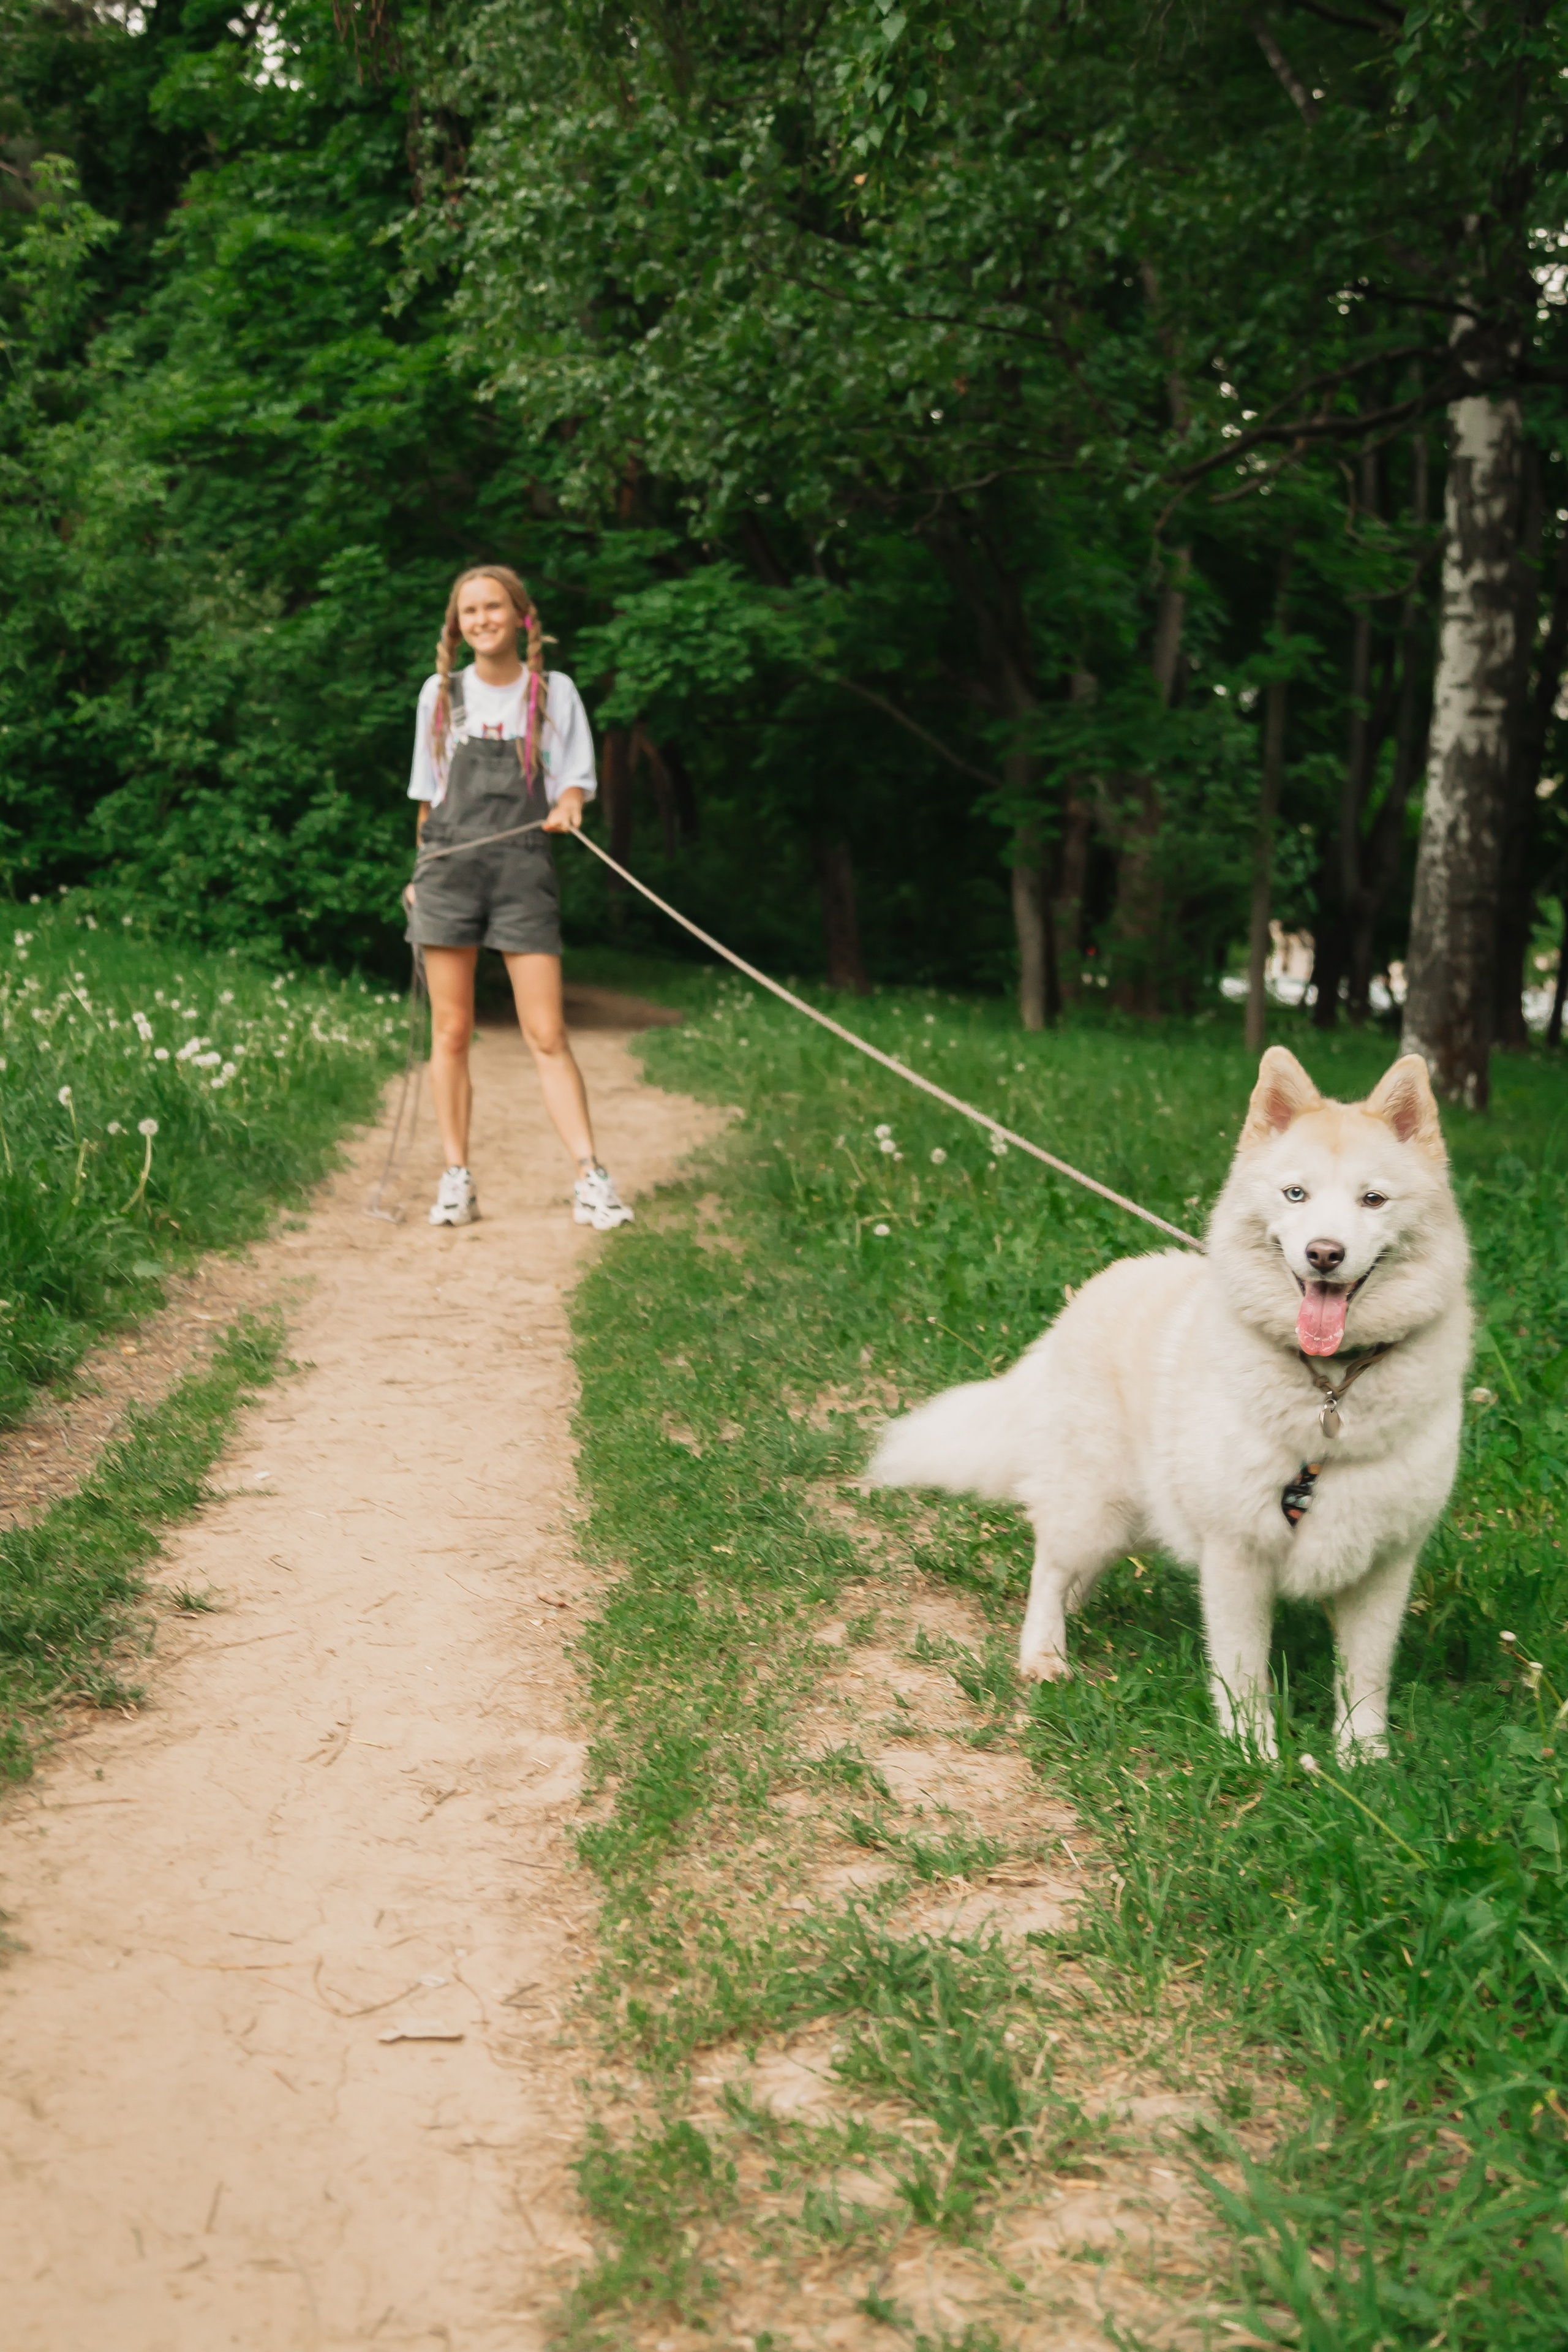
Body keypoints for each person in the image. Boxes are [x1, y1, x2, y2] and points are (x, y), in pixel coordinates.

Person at [405, 565, 633, 1232]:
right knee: (450, 1032)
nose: (481, 619)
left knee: (547, 1032)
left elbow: (574, 783)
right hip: (447, 873)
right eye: (469, 611)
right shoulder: (439, 695)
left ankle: (590, 1178)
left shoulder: (551, 691)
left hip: (522, 874)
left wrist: (567, 808)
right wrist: (419, 873)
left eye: (493, 607)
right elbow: (428, 797)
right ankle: (456, 1178)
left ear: (520, 616)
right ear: (457, 626)